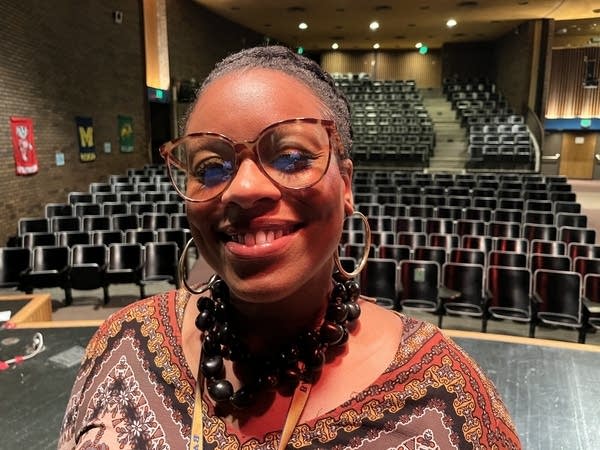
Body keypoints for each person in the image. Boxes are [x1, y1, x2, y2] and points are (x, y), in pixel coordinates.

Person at [58, 45, 521, 449]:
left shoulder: (448, 400)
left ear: (346, 185)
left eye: (291, 158)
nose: (241, 190)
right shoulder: (120, 343)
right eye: (211, 166)